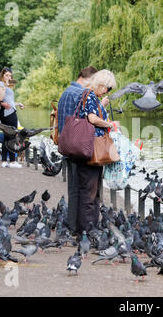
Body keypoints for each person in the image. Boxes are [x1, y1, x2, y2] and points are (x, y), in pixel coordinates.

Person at [75, 69, 116, 236]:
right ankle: (87, 230)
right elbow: (92, 119)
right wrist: (110, 125)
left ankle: (88, 228)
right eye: (108, 88)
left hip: (91, 149)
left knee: (92, 190)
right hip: (92, 149)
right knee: (89, 192)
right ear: (101, 84)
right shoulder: (90, 95)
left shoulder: (89, 96)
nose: (107, 92)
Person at [57, 66, 98, 236]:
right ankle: (79, 228)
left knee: (73, 189)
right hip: (79, 146)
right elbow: (85, 121)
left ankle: (72, 226)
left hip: (66, 144)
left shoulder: (66, 92)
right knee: (82, 190)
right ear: (88, 79)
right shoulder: (81, 94)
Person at [0, 67, 24, 168]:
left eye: (10, 76)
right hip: (7, 114)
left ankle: (4, 161)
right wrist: (5, 85)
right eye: (6, 75)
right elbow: (0, 97)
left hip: (10, 112)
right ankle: (12, 161)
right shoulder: (1, 84)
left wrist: (18, 104)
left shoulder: (6, 86)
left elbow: (9, 101)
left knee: (7, 137)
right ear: (2, 75)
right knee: (12, 136)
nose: (8, 77)